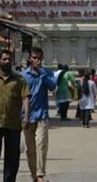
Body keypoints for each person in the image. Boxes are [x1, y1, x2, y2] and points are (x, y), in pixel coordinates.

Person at [0, 49, 30, 182]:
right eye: (4, 59)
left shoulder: (20, 80)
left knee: (12, 158)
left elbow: (25, 97)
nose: (7, 61)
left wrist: (26, 116)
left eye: (9, 59)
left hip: (13, 124)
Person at [22, 46, 56, 182]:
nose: (37, 61)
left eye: (39, 58)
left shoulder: (47, 73)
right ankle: (34, 175)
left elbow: (53, 86)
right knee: (30, 148)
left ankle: (40, 173)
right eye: (34, 58)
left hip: (42, 114)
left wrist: (42, 73)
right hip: (27, 115)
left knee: (41, 143)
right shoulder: (23, 76)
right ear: (30, 59)